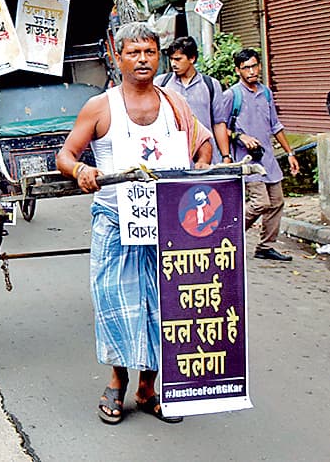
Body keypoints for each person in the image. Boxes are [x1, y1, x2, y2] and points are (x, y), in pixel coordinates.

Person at [55, 22, 212, 425]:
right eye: (134, 53)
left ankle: (148, 389)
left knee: (162, 307)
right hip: (113, 221)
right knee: (115, 305)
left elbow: (203, 144)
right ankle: (116, 380)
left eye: (149, 52)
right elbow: (66, 155)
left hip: (167, 225)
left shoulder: (175, 103)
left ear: (158, 56)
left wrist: (200, 171)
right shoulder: (101, 107)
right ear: (119, 57)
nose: (142, 59)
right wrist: (80, 171)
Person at [213, 48, 299, 261]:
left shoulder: (266, 93)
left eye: (254, 66)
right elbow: (219, 126)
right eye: (246, 68)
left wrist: (290, 153)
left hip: (267, 158)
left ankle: (265, 246)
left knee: (277, 201)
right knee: (261, 202)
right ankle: (227, 234)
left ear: (259, 66)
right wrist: (240, 137)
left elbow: (275, 126)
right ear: (238, 70)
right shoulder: (232, 95)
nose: (251, 71)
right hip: (246, 161)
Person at [154, 36, 229, 162]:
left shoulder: (210, 85)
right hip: (172, 157)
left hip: (206, 156)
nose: (173, 64)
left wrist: (226, 156)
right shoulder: (161, 83)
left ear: (192, 58)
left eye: (178, 59)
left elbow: (219, 123)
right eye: (171, 59)